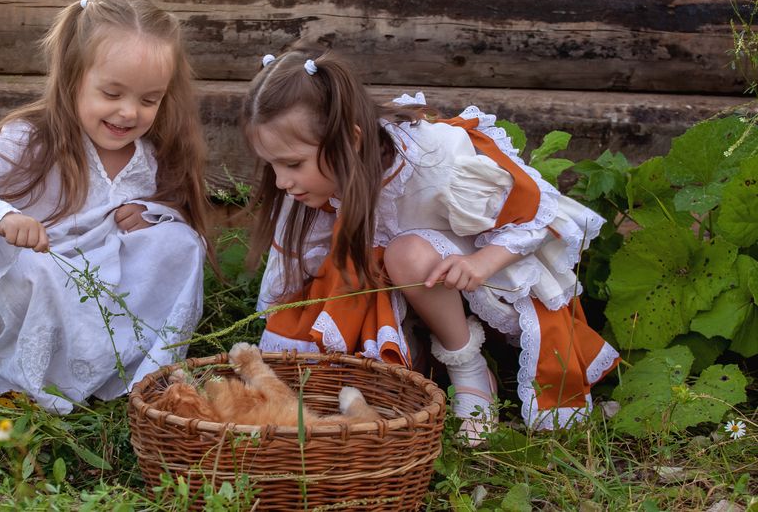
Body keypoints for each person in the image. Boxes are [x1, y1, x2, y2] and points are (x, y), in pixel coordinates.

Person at [243, 48, 620, 444]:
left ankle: (472, 373)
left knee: (405, 253)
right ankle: (410, 373)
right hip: (415, 295)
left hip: (480, 277)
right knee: (358, 267)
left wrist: (483, 262)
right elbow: (299, 273)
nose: (281, 180)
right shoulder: (309, 189)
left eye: (291, 164)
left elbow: (535, 208)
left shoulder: (432, 161)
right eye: (272, 165)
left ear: (349, 141)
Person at [0, 0, 211, 413]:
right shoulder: (34, 141)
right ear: (72, 79)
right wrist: (3, 217)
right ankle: (26, 384)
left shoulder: (147, 157)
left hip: (105, 289)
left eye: (149, 99)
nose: (129, 112)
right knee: (29, 267)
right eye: (112, 93)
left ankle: (142, 371)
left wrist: (153, 215)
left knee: (182, 244)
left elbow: (170, 212)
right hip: (44, 277)